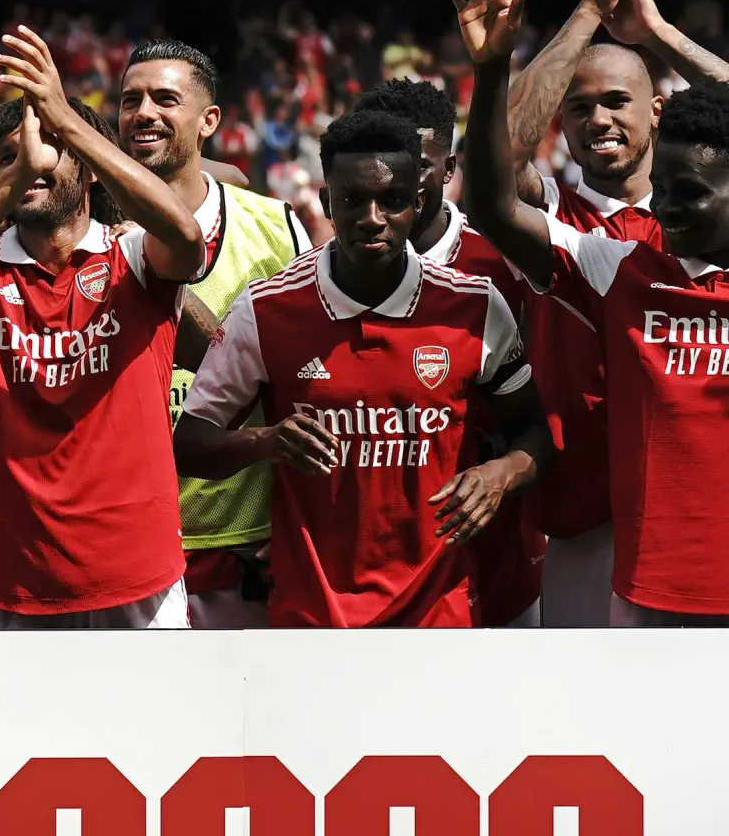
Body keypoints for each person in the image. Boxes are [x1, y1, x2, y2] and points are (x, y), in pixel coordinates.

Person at [174, 109, 551, 627]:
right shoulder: (266, 309)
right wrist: (265, 441)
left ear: (417, 200)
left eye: (392, 200)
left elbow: (535, 434)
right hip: (313, 618)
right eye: (352, 199)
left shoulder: (473, 306)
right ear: (327, 201)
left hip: (437, 615)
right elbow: (189, 445)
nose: (372, 217)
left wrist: (500, 474)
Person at [457, 0, 729, 626]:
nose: (598, 120)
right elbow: (492, 170)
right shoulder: (570, 229)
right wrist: (585, 12)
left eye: (615, 102)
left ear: (658, 111)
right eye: (577, 108)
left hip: (693, 511)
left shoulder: (698, 228)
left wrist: (657, 34)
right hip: (581, 514)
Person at [0, 29, 207, 629]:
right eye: (9, 156)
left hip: (136, 575)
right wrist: (15, 179)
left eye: (53, 148)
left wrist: (66, 118)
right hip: (12, 581)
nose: (35, 160)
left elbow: (186, 238)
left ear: (89, 168)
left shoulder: (133, 258)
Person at [119, 38, 311, 629]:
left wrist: (299, 523)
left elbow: (308, 380)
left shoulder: (275, 227)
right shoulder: (86, 229)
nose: (143, 113)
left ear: (208, 121)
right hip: (122, 543)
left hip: (245, 549)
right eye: (130, 100)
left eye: (164, 99)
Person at [358, 78, 545, 627]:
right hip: (367, 575)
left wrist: (500, 469)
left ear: (449, 168)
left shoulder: (504, 267)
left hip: (498, 562)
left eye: (417, 163)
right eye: (382, 161)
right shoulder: (327, 276)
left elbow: (537, 423)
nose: (397, 180)